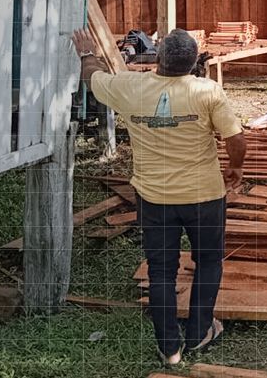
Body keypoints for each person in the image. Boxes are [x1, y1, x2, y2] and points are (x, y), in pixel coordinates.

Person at [72, 28, 246, 367]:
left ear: (159, 58)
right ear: (194, 61)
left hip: (155, 198)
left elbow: (92, 77)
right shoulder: (207, 91)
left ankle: (169, 350)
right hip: (204, 196)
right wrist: (235, 169)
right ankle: (199, 334)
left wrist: (86, 52)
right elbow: (236, 139)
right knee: (208, 262)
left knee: (162, 271)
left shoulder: (131, 87)